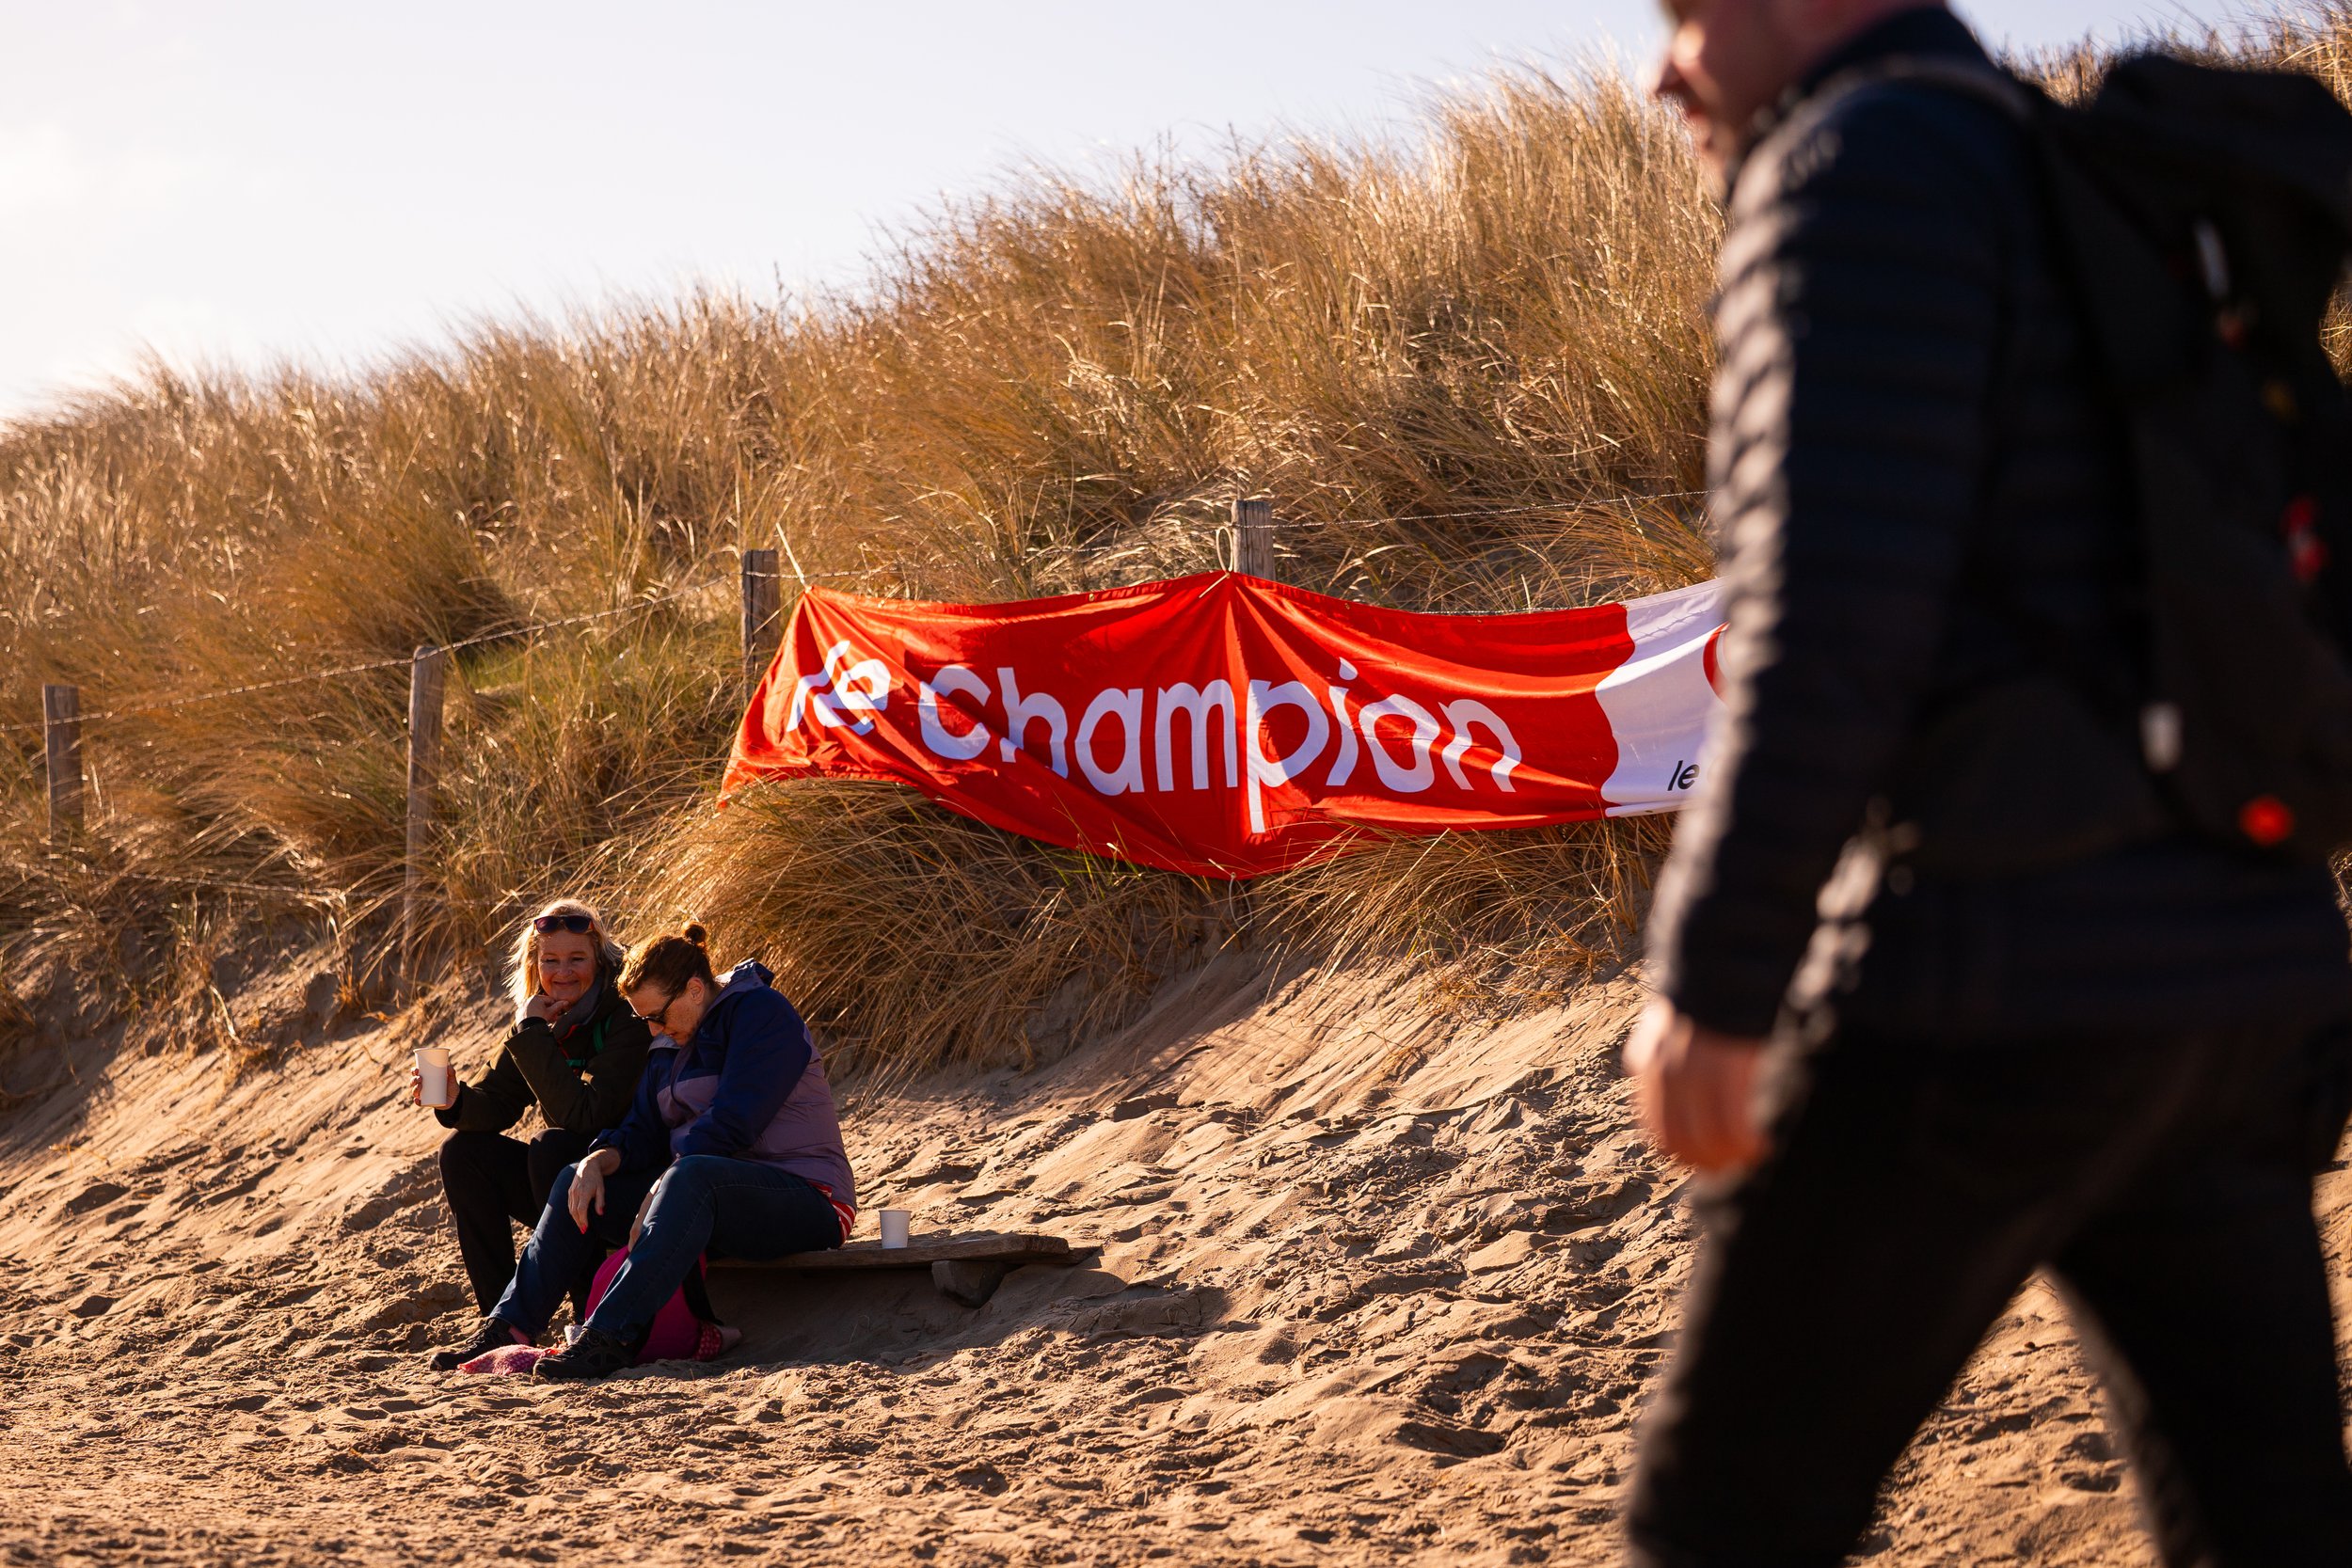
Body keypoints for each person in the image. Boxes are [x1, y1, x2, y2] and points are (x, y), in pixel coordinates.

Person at [1623, 3, 2352, 1564]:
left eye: (1685, 13)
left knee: (1721, 1523)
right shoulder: (2058, 167)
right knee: (2270, 1529)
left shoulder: (1854, 166)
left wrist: (1714, 977)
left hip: (1996, 978)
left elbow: (1829, 622)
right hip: (2239, 978)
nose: (1660, 67)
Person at [426, 921, 855, 1381]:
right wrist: (598, 1159)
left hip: (807, 1198)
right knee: (574, 1176)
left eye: (658, 1017)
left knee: (689, 1176)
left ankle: (606, 1337)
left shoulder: (761, 1013)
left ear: (694, 990)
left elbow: (735, 1121)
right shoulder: (670, 1038)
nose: (652, 1029)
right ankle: (508, 1327)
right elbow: (642, 1129)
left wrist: (662, 1184)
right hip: (705, 1200)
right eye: (645, 1019)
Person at [417, 898, 653, 1325]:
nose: (563, 973)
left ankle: (587, 1310)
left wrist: (532, 1034)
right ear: (535, 964)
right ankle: (500, 1320)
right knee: (462, 1153)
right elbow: (498, 1100)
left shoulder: (627, 1012)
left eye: (577, 959)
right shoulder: (540, 1016)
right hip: (565, 1189)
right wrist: (455, 1100)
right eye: (550, 961)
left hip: (626, 1186)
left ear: (600, 960)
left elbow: (586, 1117)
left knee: (552, 1147)